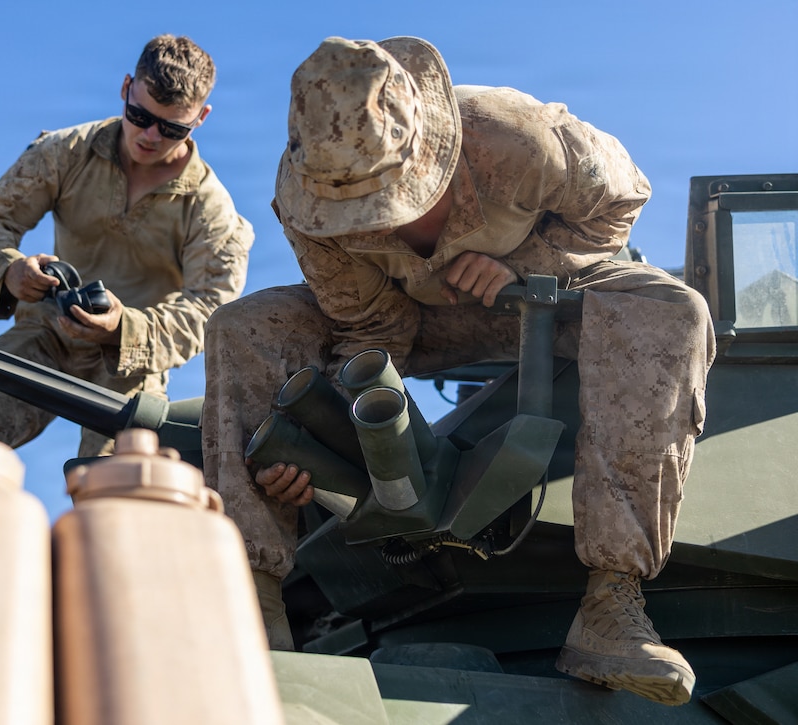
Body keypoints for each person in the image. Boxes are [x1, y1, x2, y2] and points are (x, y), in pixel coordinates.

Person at [201, 36, 714, 707]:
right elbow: (366, 325)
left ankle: (612, 602)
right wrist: (312, 442)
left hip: (538, 300)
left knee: (672, 307)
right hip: (408, 319)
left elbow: (621, 204)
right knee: (242, 327)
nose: (371, 222)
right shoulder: (310, 191)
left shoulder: (516, 139)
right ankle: (256, 601)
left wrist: (528, 273)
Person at [0, 34, 254, 456]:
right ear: (126, 88)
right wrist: (9, 271)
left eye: (171, 128)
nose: (149, 135)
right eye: (139, 115)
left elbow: (208, 310)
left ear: (200, 117)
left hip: (133, 361)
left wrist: (121, 329)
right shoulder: (65, 152)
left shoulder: (211, 208)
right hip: (45, 331)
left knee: (120, 486)